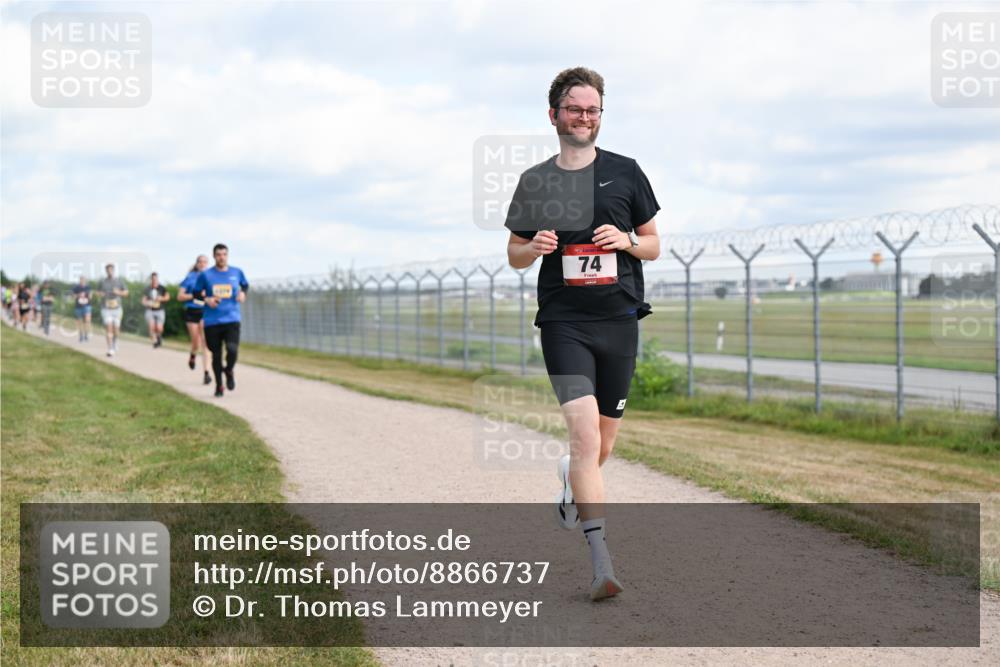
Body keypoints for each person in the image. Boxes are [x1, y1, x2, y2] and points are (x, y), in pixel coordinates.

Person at [504, 67, 661, 601]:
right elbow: (514, 254)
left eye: (593, 110)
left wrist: (626, 241)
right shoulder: (535, 181)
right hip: (563, 324)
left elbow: (653, 244)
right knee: (585, 437)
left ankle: (573, 480)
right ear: (554, 115)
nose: (585, 117)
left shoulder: (626, 172)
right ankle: (602, 564)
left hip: (618, 322)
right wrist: (534, 248)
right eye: (575, 109)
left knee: (602, 444)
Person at [194, 244, 248, 397]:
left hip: (232, 318)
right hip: (212, 321)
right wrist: (207, 299)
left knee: (232, 349)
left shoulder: (236, 272)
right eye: (218, 254)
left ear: (227, 255)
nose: (221, 257)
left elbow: (245, 285)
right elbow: (196, 294)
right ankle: (219, 385)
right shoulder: (206, 275)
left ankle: (229, 370)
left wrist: (243, 293)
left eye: (224, 254)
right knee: (216, 355)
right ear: (214, 256)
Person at [178, 255, 212, 385]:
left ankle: (206, 373)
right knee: (196, 343)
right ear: (197, 264)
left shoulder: (211, 277)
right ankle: (193, 355)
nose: (202, 264)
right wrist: (194, 295)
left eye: (205, 262)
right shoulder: (190, 277)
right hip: (192, 312)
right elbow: (180, 296)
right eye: (200, 262)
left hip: (205, 311)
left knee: (206, 343)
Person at [96, 263, 128, 357]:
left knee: (116, 330)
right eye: (108, 270)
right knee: (109, 328)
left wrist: (118, 292)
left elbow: (126, 293)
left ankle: (115, 342)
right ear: (106, 271)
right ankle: (110, 349)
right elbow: (97, 292)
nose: (109, 271)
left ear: (113, 270)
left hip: (117, 309)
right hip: (106, 309)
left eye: (111, 270)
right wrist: (100, 294)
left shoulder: (119, 281)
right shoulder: (102, 282)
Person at [142, 272, 170, 348]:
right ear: (151, 279)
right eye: (153, 279)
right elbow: (143, 300)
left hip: (160, 310)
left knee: (159, 328)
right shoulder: (147, 289)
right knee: (151, 327)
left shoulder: (162, 288)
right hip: (150, 310)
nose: (154, 280)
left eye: (155, 279)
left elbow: (167, 297)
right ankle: (155, 342)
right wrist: (147, 303)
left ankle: (159, 337)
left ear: (157, 279)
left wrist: (161, 298)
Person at [72, 276, 93, 342]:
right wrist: (79, 295)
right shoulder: (76, 288)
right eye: (81, 280)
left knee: (87, 320)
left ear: (85, 281)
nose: (82, 281)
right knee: (80, 322)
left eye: (83, 280)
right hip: (78, 307)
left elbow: (91, 296)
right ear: (79, 280)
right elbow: (73, 297)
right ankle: (81, 335)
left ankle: (86, 334)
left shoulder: (88, 287)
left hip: (87, 306)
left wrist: (88, 295)